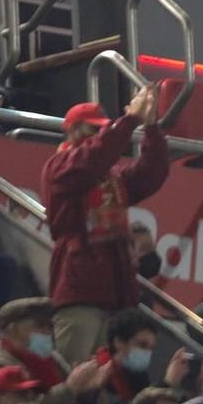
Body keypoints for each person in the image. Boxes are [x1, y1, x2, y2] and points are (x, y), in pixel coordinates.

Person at [42, 88, 169, 364]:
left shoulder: (112, 176)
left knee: (105, 378)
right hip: (79, 289)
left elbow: (151, 173)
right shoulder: (61, 167)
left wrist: (151, 127)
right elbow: (94, 157)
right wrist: (128, 121)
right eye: (92, 129)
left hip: (115, 291)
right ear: (72, 130)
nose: (98, 136)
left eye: (102, 130)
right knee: (73, 370)